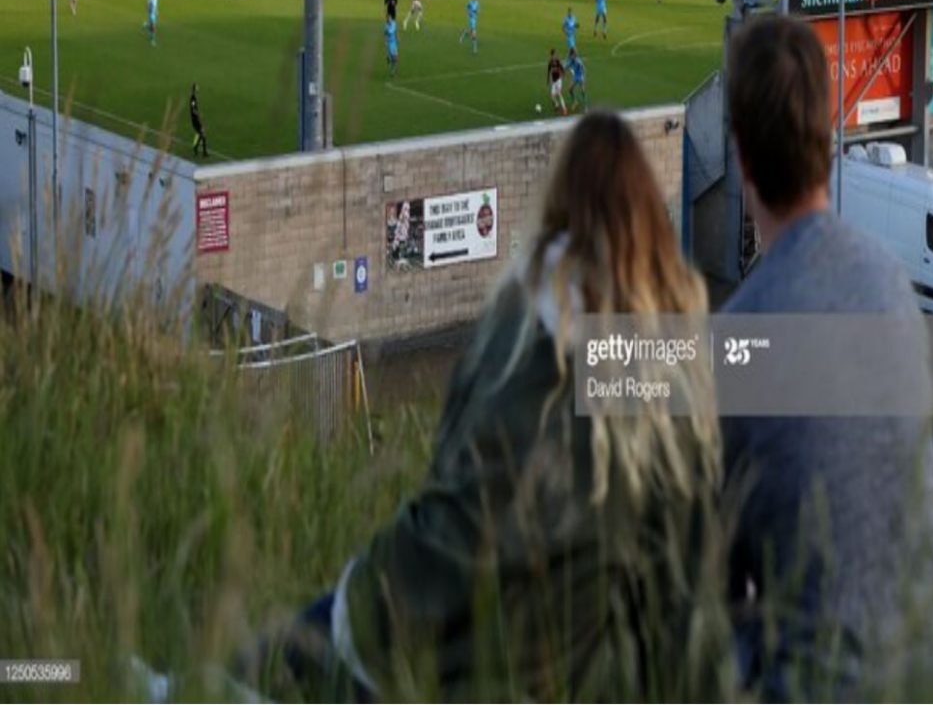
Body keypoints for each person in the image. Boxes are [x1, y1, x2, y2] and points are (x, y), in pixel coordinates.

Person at [237, 112, 723, 702]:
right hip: (584, 667)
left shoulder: (525, 338)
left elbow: (453, 517)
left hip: (459, 648)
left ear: (560, 206)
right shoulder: (676, 376)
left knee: (267, 661)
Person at [723, 15, 933, 701]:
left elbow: (724, 579)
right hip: (930, 673)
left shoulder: (744, 333)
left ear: (741, 159)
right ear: (827, 143)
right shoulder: (890, 290)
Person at [189, 82, 208, 158]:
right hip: (195, 119)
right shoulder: (193, 98)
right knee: (203, 134)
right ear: (195, 89)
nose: (198, 88)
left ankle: (197, 149)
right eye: (197, 87)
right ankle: (204, 153)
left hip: (196, 118)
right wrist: (198, 115)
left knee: (201, 134)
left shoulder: (194, 97)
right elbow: (193, 109)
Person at [546, 47, 567, 115]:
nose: (553, 56)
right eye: (552, 55)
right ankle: (557, 105)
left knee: (559, 94)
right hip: (554, 81)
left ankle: (564, 109)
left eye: (554, 55)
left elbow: (562, 67)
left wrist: (563, 73)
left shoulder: (557, 61)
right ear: (551, 55)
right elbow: (548, 71)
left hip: (558, 80)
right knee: (552, 95)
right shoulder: (550, 62)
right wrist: (548, 80)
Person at [566, 47, 587, 112]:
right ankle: (575, 101)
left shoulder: (578, 61)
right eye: (570, 55)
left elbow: (583, 68)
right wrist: (561, 68)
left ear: (574, 55)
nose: (570, 57)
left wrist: (583, 77)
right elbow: (567, 66)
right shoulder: (572, 61)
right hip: (575, 76)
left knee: (582, 91)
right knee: (570, 89)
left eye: (571, 55)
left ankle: (585, 107)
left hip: (580, 76)